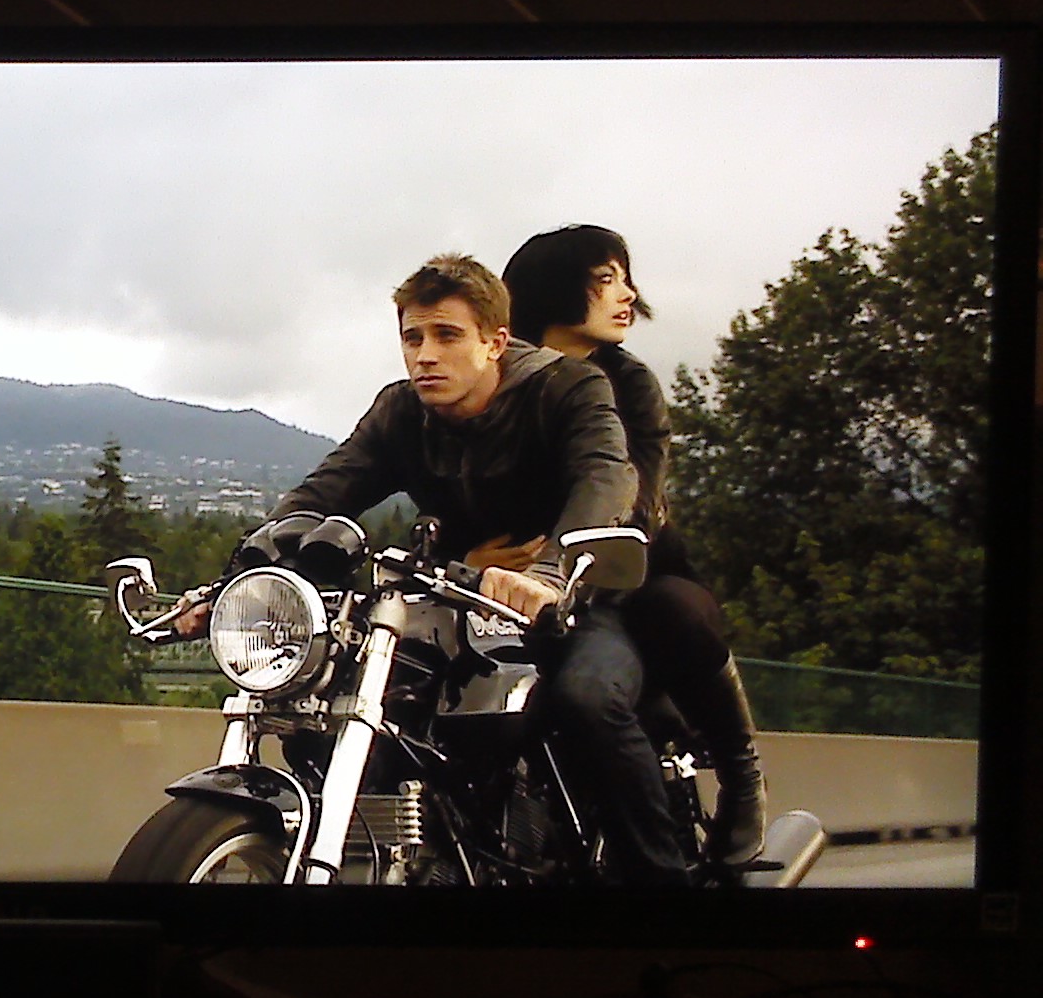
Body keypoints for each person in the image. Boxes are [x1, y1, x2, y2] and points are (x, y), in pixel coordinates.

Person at [189, 252, 691, 887]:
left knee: (587, 698)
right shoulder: (400, 412)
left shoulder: (567, 387)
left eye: (447, 335)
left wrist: (549, 575)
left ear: (495, 342)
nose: (426, 355)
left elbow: (606, 477)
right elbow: (318, 496)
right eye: (413, 337)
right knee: (333, 698)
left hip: (577, 598)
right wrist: (232, 580)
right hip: (456, 599)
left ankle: (664, 887)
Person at [500, 225, 767, 864]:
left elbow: (635, 493)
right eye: (605, 280)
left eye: (624, 278)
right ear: (554, 290)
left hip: (629, 575)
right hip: (518, 585)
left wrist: (554, 556)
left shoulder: (629, 383)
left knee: (677, 611)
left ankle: (742, 774)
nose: (627, 295)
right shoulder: (497, 380)